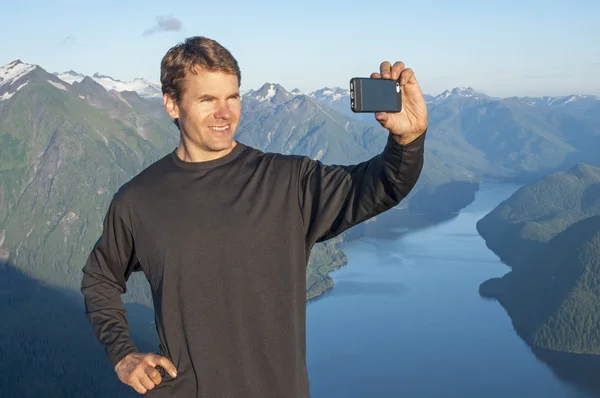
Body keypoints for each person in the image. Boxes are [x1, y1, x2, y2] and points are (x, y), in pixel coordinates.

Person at [80, 35, 428, 397]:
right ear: (172, 105)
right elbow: (99, 279)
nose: (224, 113)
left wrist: (409, 140)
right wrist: (123, 355)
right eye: (207, 100)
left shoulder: (287, 183)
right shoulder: (139, 200)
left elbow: (381, 185)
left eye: (232, 97)